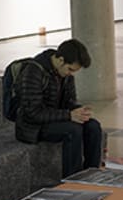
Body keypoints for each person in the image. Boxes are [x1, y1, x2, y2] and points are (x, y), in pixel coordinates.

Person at [15, 39, 102, 178]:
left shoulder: (65, 75)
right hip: (33, 126)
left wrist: (79, 111)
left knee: (93, 126)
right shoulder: (33, 71)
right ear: (61, 60)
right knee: (73, 131)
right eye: (70, 69)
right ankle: (73, 180)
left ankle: (92, 174)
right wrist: (69, 115)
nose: (71, 74)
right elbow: (33, 113)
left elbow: (69, 102)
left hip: (56, 117)